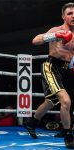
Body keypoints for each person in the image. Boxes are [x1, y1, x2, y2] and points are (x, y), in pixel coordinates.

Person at [24, 2, 74, 148]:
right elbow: (35, 40)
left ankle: (31, 122)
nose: (73, 16)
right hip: (51, 67)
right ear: (63, 16)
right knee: (65, 101)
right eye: (70, 13)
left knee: (51, 102)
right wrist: (55, 35)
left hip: (67, 72)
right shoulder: (56, 30)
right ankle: (68, 135)